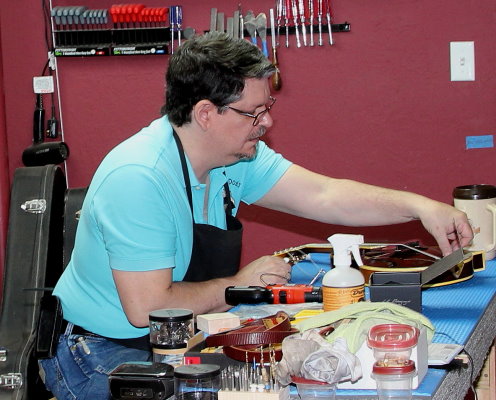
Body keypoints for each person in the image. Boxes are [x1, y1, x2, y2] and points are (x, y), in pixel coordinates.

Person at [39, 32, 473, 400]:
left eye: (268, 108)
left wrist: (420, 206)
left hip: (183, 336)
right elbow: (148, 308)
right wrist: (237, 286)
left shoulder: (235, 157)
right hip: (100, 352)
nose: (265, 122)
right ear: (206, 113)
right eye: (254, 112)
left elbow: (324, 195)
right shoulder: (140, 179)